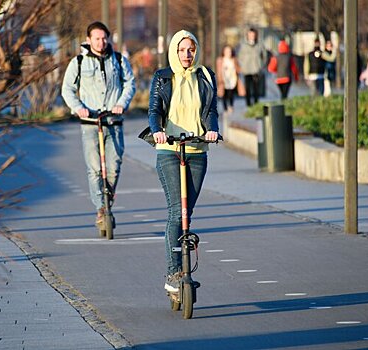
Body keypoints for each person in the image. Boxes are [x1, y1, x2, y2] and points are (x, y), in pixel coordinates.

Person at [139, 30, 219, 292]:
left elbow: (210, 111)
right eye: (182, 49)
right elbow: (154, 111)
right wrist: (158, 131)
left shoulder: (206, 77)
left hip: (197, 152)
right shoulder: (163, 77)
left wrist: (212, 129)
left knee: (188, 214)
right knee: (177, 211)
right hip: (169, 151)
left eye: (191, 49)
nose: (187, 54)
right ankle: (173, 273)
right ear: (174, 50)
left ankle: (185, 267)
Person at [62, 21, 135, 224]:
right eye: (97, 38)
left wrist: (121, 103)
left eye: (104, 38)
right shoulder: (78, 62)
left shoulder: (118, 60)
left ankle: (108, 198)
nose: (101, 42)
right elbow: (67, 89)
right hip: (91, 123)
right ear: (88, 40)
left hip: (113, 120)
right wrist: (78, 108)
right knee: (94, 168)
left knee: (114, 165)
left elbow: (130, 83)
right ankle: (101, 208)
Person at [238, 28, 267, 106]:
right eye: (250, 34)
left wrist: (261, 65)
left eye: (253, 35)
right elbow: (240, 56)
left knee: (256, 88)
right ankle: (248, 104)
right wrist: (242, 65)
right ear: (247, 35)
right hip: (246, 70)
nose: (252, 36)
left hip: (256, 69)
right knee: (247, 88)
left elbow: (264, 56)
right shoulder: (243, 45)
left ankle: (256, 104)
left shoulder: (260, 44)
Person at [216, 45, 242, 113]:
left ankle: (231, 105)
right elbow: (218, 70)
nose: (228, 53)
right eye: (227, 51)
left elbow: (238, 68)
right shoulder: (221, 60)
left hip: (232, 78)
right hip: (224, 78)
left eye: (229, 51)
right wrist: (220, 78)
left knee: (231, 93)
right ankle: (225, 108)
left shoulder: (234, 59)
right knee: (224, 93)